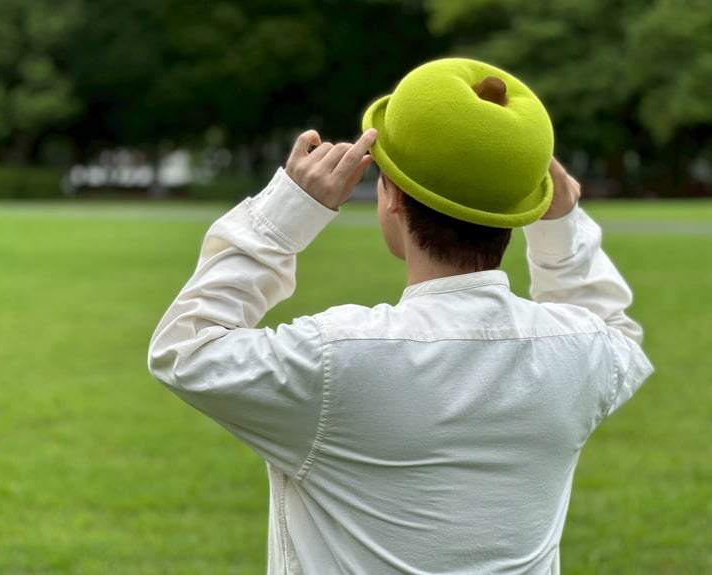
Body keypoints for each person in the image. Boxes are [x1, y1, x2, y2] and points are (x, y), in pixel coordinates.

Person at [148, 58, 654, 574]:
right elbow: (613, 335)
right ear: (519, 210)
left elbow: (186, 351)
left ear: (391, 197)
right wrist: (561, 228)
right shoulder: (581, 352)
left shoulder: (334, 360)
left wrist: (283, 217)